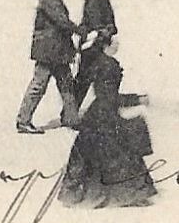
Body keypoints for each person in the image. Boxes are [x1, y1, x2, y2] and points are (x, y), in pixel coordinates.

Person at [59, 34, 156, 208]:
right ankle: (127, 195)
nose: (118, 45)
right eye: (115, 42)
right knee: (121, 153)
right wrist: (137, 99)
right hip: (105, 116)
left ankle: (76, 195)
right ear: (107, 45)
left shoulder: (98, 62)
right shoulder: (109, 65)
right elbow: (109, 97)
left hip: (97, 114)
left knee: (89, 156)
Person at [16, 0, 82, 134]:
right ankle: (23, 121)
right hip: (49, 52)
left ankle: (71, 118)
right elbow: (61, 21)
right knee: (39, 86)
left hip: (56, 51)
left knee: (66, 84)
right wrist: (79, 30)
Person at [75, 0, 121, 107]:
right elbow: (95, 23)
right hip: (93, 43)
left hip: (96, 42)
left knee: (85, 78)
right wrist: (108, 32)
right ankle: (70, 115)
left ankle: (70, 114)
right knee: (85, 79)